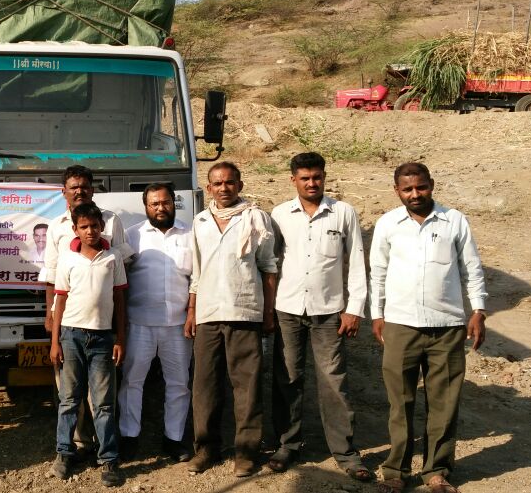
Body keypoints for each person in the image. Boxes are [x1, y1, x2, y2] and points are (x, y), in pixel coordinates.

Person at [369, 162, 488, 493]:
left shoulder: (454, 221)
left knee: (444, 402)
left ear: (431, 185)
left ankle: (436, 471)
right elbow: (377, 272)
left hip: (447, 327)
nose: (415, 194)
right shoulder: (388, 223)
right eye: (407, 189)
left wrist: (478, 310)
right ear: (397, 191)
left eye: (420, 187)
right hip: (400, 325)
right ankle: (396, 472)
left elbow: (472, 269)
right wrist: (377, 315)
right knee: (400, 402)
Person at [268, 153, 371, 481]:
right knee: (287, 378)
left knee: (333, 381)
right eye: (305, 178)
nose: (312, 183)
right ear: (293, 180)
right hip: (287, 309)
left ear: (324, 178)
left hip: (329, 312)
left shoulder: (342, 213)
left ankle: (345, 452)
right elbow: (270, 263)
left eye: (317, 177)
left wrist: (354, 308)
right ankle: (288, 445)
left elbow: (355, 261)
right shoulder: (280, 214)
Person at [185, 161, 277, 477]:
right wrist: (192, 311)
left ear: (239, 184)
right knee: (205, 387)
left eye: (230, 182)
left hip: (245, 311)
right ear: (208, 188)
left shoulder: (256, 218)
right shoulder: (199, 221)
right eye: (217, 183)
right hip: (208, 314)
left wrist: (268, 313)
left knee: (247, 387)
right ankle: (205, 450)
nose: (224, 188)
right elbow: (197, 273)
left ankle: (247, 454)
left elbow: (268, 267)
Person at [43, 165, 133, 460]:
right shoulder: (56, 226)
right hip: (69, 324)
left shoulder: (112, 221)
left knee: (102, 397)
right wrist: (50, 313)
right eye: (73, 187)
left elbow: (122, 271)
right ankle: (78, 445)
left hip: (103, 327)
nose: (79, 190)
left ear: (92, 189)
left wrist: (121, 331)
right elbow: (53, 276)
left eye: (84, 186)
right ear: (64, 192)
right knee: (69, 395)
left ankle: (104, 449)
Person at [49, 202, 128, 488]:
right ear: (75, 229)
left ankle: (108, 459)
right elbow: (60, 301)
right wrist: (55, 342)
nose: (90, 231)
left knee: (104, 402)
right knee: (69, 399)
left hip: (103, 338)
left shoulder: (113, 258)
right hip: (71, 336)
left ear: (101, 226)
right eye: (84, 226)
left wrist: (121, 338)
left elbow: (120, 300)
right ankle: (64, 453)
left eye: (95, 226)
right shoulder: (67, 260)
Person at [117, 183, 193, 463]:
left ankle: (173, 439)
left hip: (177, 325)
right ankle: (129, 436)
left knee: (179, 384)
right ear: (146, 207)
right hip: (140, 324)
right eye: (154, 204)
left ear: (174, 202)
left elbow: (196, 279)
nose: (161, 208)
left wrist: (193, 314)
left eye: (166, 202)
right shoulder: (133, 236)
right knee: (132, 382)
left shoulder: (190, 234)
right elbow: (120, 279)